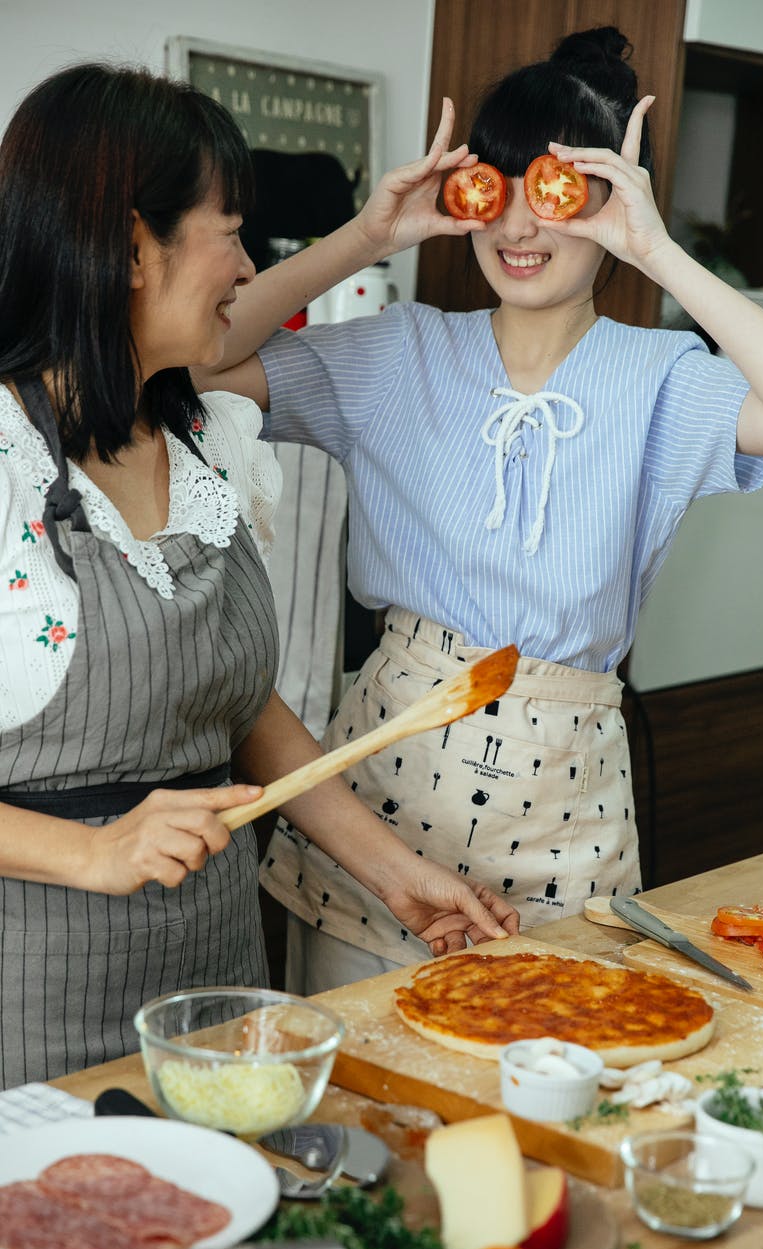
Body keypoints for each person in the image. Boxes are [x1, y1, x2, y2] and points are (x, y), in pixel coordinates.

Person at [202, 28, 763, 994]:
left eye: (552, 193)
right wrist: (367, 237)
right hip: (385, 772)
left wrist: (658, 250)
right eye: (490, 190)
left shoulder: (663, 377)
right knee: (353, 1087)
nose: (517, 227)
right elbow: (198, 361)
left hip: (565, 786)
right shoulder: (398, 349)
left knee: (540, 1064)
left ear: (605, 198)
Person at [0, 62, 518, 1089]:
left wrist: (392, 875)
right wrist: (94, 854)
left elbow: (239, 712)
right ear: (128, 245)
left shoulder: (200, 439)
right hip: (37, 1017)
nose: (247, 264)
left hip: (221, 987)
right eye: (229, 229)